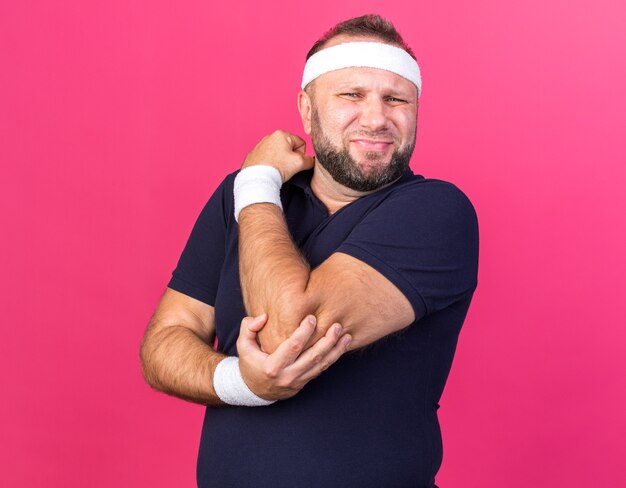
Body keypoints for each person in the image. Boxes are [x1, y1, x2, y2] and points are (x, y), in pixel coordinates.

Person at [140, 14, 478, 488]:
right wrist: (244, 383)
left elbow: (290, 333)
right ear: (306, 108)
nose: (377, 118)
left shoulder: (437, 211)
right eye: (351, 95)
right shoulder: (240, 198)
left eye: (396, 99)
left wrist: (256, 181)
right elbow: (165, 341)